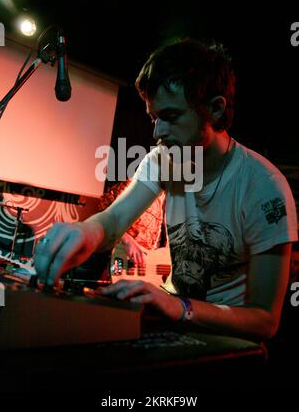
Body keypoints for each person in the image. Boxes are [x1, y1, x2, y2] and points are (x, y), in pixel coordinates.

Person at [35, 38, 298, 340]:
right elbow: (114, 221)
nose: (158, 132)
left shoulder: (264, 187)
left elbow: (265, 320)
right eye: (153, 118)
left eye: (170, 117)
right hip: (175, 320)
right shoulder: (164, 160)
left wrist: (180, 307)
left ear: (214, 109)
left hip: (226, 340)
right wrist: (85, 232)